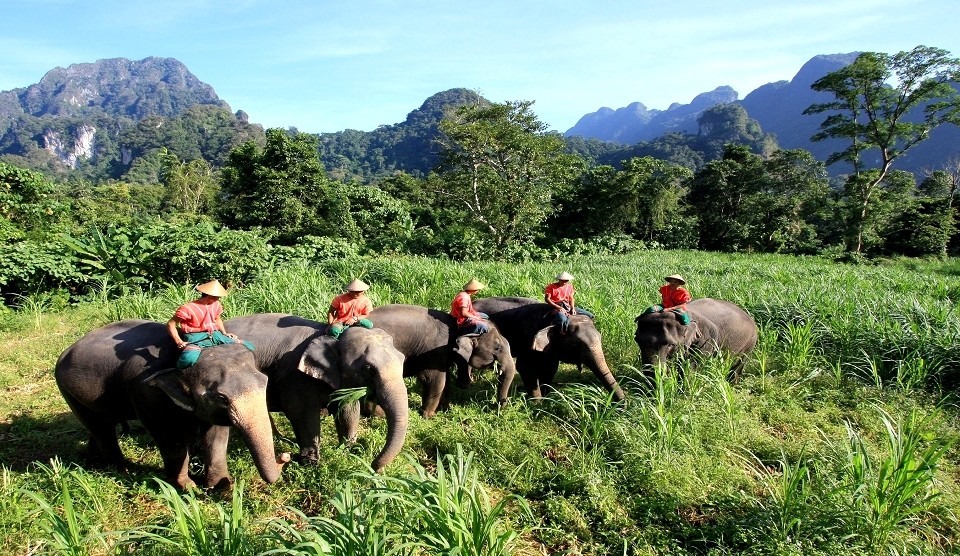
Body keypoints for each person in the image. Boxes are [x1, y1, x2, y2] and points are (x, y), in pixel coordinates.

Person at [167, 279, 253, 369]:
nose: (219, 298)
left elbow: (217, 318)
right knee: (189, 358)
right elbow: (170, 324)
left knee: (247, 345)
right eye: (218, 296)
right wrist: (178, 341)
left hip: (215, 335)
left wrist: (224, 333)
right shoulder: (187, 308)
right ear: (210, 296)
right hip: (197, 337)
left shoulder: (216, 304)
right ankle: (176, 372)